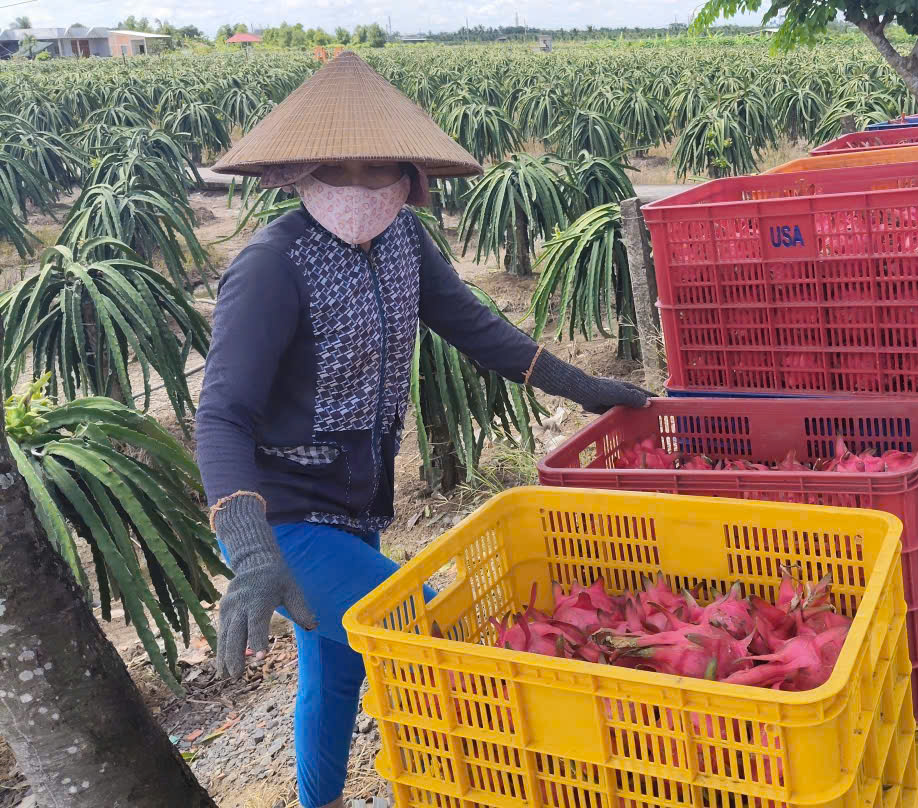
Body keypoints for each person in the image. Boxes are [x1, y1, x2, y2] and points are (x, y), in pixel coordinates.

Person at [195, 52, 648, 808]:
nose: (362, 189)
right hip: (283, 522)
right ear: (302, 173)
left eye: (381, 170)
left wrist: (587, 387)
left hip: (355, 509)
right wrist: (250, 549)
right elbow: (221, 414)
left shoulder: (405, 242)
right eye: (341, 170)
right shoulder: (272, 267)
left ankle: (319, 803)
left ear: (410, 174)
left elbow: (478, 329)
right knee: (432, 628)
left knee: (337, 669)